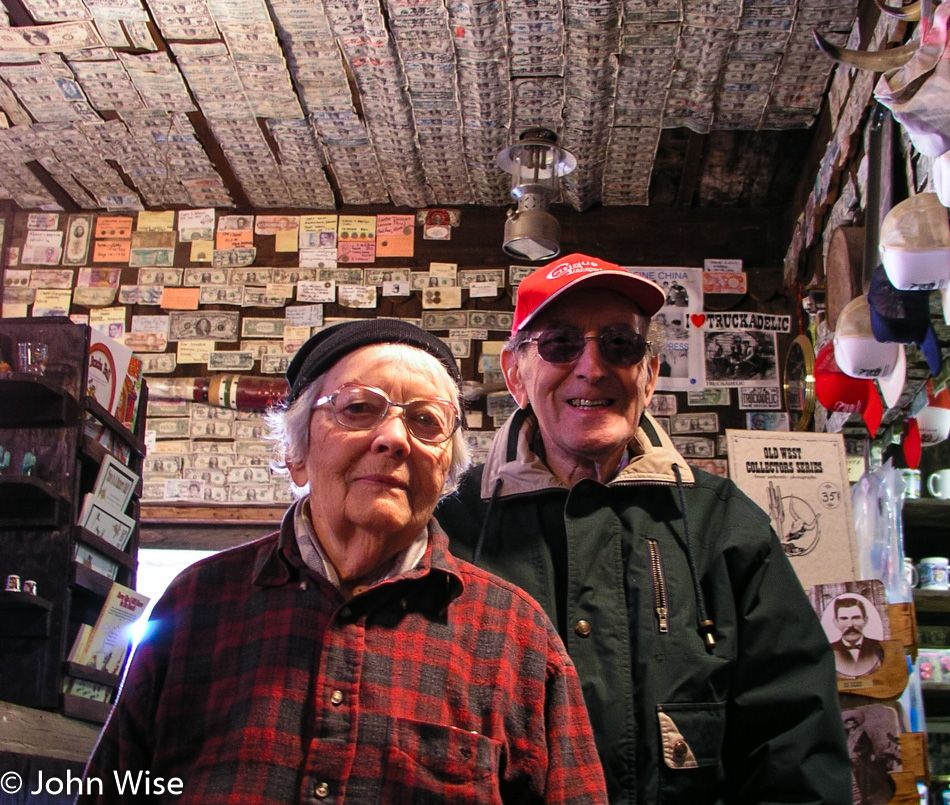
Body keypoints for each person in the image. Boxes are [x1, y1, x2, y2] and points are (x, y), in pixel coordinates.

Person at [78, 319, 608, 805]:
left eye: (425, 421)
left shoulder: (516, 635)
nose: (395, 439)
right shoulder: (197, 601)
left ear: (447, 472)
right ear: (296, 452)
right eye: (358, 408)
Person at [436, 253, 851, 804]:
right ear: (517, 374)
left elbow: (796, 751)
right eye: (560, 343)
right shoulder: (448, 524)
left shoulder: (725, 525)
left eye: (620, 344)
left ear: (649, 375)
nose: (592, 366)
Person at [830, 595, 884, 678]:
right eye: (844, 619)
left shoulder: (878, 647)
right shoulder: (829, 651)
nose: (850, 625)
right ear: (835, 622)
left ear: (865, 620)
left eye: (856, 618)